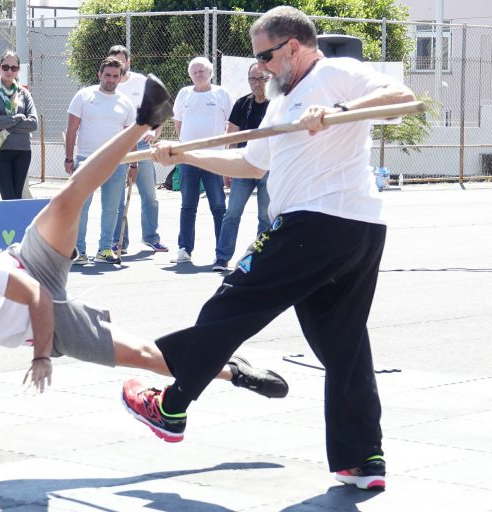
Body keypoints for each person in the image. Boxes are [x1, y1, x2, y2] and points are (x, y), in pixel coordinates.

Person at [0, 76, 288, 503]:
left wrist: (41, 359)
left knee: (69, 196)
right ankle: (233, 371)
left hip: (30, 266)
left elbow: (37, 293)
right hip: (45, 325)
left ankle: (145, 119)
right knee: (146, 357)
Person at [121, 6, 417, 492]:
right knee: (342, 343)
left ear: (293, 47)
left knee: (229, 306)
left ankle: (171, 407)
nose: (260, 68)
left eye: (265, 57)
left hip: (319, 222)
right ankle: (361, 457)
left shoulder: (333, 74)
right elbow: (251, 164)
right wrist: (184, 153)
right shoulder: (282, 104)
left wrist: (339, 112)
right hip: (348, 230)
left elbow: (401, 98)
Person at [65, 56, 134, 264]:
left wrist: (134, 164)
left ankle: (105, 249)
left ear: (120, 78)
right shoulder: (84, 96)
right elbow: (72, 129)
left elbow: (130, 136)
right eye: (107, 75)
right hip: (86, 160)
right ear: (99, 75)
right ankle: (78, 250)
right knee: (81, 207)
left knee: (111, 208)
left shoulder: (125, 103)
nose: (110, 79)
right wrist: (69, 158)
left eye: (115, 76)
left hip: (116, 162)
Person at [107, 45, 168, 254]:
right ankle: (119, 241)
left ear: (128, 62)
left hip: (141, 145)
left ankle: (151, 237)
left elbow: (159, 109)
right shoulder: (108, 84)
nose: (118, 64)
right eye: (114, 60)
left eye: (121, 60)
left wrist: (155, 132)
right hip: (117, 148)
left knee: (149, 194)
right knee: (117, 198)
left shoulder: (141, 82)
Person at [171, 57, 231, 264]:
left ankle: (222, 252)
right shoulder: (184, 94)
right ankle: (184, 249)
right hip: (188, 158)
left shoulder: (222, 94)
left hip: (214, 158)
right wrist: (186, 146)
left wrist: (225, 153)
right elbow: (178, 123)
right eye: (195, 72)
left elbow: (231, 125)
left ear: (210, 73)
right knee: (188, 204)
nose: (198, 75)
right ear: (190, 75)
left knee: (218, 205)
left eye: (202, 71)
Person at [213, 62, 272, 271]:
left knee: (265, 216)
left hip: (269, 167)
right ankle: (222, 258)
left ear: (269, 79)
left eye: (262, 79)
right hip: (244, 164)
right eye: (253, 79)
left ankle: (260, 261)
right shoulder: (241, 103)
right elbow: (232, 136)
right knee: (232, 213)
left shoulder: (277, 104)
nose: (257, 83)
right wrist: (227, 167)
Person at [0, 50, 38, 200]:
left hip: (22, 150)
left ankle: (17, 219)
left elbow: (33, 123)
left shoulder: (24, 93)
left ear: (18, 70)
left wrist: (4, 121)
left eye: (14, 68)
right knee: (8, 197)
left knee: (17, 197)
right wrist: (17, 118)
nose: (9, 71)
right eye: (5, 67)